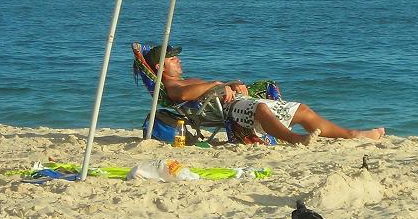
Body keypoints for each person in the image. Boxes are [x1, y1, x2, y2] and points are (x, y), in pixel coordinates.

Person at [145, 44, 385, 145]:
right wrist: (217, 84)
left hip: (233, 103)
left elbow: (205, 88)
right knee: (261, 110)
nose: (178, 60)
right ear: (159, 68)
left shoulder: (186, 79)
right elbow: (182, 96)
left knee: (301, 109)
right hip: (228, 111)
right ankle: (294, 139)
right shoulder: (172, 87)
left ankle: (352, 134)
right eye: (172, 58)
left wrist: (233, 83)